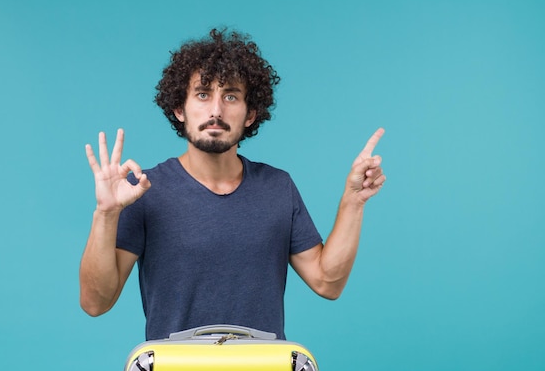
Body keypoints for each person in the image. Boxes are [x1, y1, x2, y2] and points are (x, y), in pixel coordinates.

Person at [79, 28, 385, 341]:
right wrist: (106, 212)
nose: (216, 110)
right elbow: (95, 302)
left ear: (250, 114)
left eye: (230, 96)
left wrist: (353, 201)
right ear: (179, 109)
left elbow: (327, 283)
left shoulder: (278, 188)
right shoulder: (142, 190)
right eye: (202, 94)